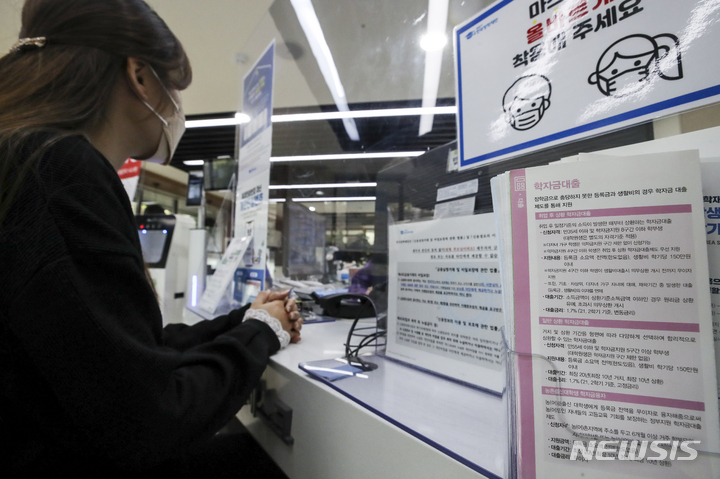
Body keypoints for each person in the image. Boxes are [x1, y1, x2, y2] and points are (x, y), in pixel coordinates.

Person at [0, 0, 301, 476]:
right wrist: (262, 334)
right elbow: (148, 418)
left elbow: (111, 348)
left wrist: (243, 321)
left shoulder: (24, 154)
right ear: (139, 76)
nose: (177, 107)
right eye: (175, 87)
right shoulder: (61, 168)